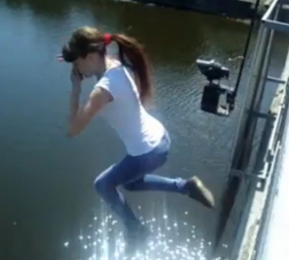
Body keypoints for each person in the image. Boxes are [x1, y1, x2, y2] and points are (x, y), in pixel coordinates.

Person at [57, 26, 215, 246]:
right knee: (129, 184)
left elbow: (72, 130)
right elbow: (89, 56)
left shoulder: (102, 91)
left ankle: (136, 231)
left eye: (76, 62)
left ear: (91, 56)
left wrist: (75, 88)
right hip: (160, 139)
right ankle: (186, 186)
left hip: (147, 152)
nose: (75, 67)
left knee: (102, 185)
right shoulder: (113, 64)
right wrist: (70, 56)